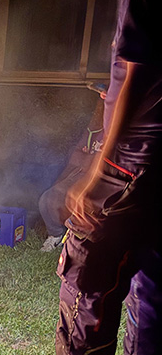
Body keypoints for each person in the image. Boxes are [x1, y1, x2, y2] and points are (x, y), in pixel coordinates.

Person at [17, 0, 162, 355]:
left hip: (134, 166)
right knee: (154, 284)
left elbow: (140, 76)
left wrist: (100, 166)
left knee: (87, 279)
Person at [38, 87, 106, 252]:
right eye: (100, 99)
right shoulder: (92, 129)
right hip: (82, 177)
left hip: (105, 183)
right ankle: (56, 236)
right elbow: (76, 161)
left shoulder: (117, 126)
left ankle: (81, 242)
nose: (101, 104)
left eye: (105, 98)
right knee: (48, 198)